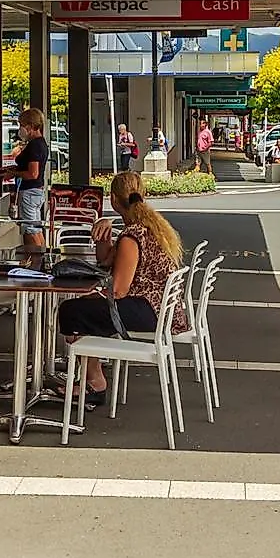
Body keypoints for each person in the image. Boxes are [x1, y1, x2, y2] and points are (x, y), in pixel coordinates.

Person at [56, 170, 184, 410]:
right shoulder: (151, 226)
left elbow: (119, 289)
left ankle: (94, 380)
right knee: (87, 308)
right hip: (161, 310)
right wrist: (103, 236)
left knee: (71, 311)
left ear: (113, 200)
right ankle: (90, 373)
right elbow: (106, 261)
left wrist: (94, 295)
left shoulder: (131, 236)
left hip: (148, 310)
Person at [13, 106, 51, 246]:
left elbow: (32, 173)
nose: (20, 129)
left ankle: (35, 259)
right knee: (36, 228)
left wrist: (13, 173)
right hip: (37, 192)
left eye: (22, 125)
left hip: (29, 192)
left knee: (30, 230)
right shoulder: (41, 143)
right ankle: (42, 257)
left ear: (31, 126)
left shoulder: (34, 145)